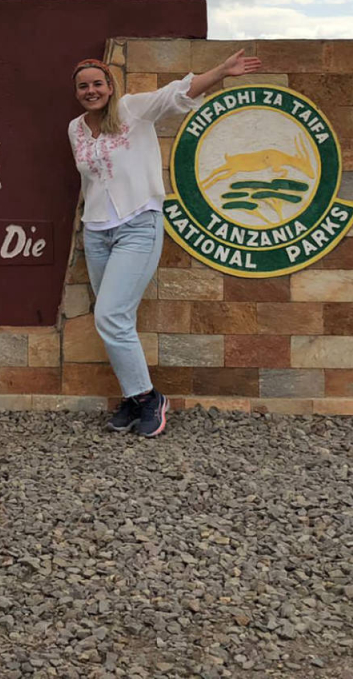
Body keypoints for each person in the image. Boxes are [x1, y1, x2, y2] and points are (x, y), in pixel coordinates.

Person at [69, 49, 262, 437]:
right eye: (83, 86)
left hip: (137, 226)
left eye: (97, 84)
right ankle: (132, 396)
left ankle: (148, 398)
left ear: (110, 86)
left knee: (109, 316)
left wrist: (222, 71)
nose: (92, 91)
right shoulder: (74, 129)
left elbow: (177, 94)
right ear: (77, 92)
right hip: (96, 231)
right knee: (116, 320)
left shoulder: (131, 111)